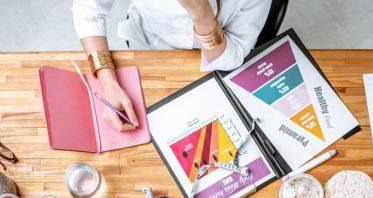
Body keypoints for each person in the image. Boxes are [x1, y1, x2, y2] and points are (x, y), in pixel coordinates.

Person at [72, 0, 272, 131]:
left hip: (213, 56)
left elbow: (233, 55)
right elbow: (88, 11)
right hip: (148, 43)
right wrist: (109, 83)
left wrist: (202, 13)